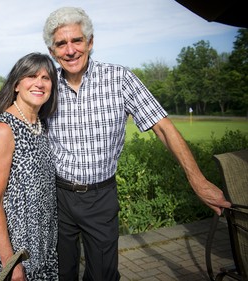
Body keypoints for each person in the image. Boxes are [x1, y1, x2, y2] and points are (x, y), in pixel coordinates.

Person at [42, 7, 232, 281]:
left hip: (100, 197)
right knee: (60, 274)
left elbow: (163, 127)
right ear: (52, 51)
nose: (70, 50)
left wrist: (199, 181)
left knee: (104, 276)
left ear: (90, 42)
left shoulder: (120, 78)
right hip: (58, 196)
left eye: (77, 41)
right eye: (61, 43)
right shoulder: (47, 87)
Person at [0, 52, 59, 281]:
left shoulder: (40, 125)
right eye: (31, 76)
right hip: (16, 250)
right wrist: (11, 263)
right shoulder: (4, 129)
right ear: (16, 85)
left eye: (46, 77)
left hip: (43, 245)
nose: (39, 83)